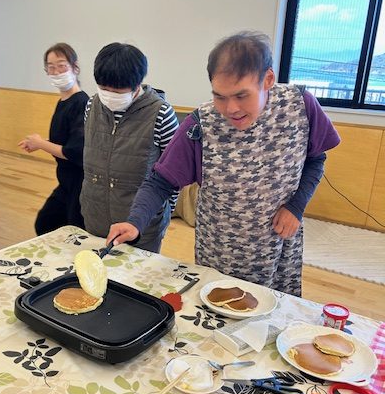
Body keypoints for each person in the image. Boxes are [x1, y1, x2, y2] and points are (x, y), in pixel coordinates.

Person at [106, 32, 341, 296]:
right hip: (220, 251)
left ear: (268, 80)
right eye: (220, 96)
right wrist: (135, 222)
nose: (230, 109)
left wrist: (296, 206)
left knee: (273, 309)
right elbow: (160, 181)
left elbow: (316, 159)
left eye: (241, 96)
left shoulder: (299, 105)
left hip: (278, 243)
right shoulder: (201, 124)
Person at [80, 42, 179, 253]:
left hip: (141, 227)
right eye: (103, 89)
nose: (108, 95)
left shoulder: (162, 114)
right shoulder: (91, 105)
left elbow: (173, 175)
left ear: (137, 84)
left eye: (117, 91)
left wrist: (162, 214)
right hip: (95, 216)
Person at [19, 43, 89, 235]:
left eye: (61, 65)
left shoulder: (81, 103)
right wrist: (38, 143)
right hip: (66, 180)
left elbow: (74, 152)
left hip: (80, 182)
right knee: (45, 222)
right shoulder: (63, 102)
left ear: (75, 67)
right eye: (51, 67)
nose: (56, 72)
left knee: (75, 231)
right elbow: (65, 140)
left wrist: (41, 143)